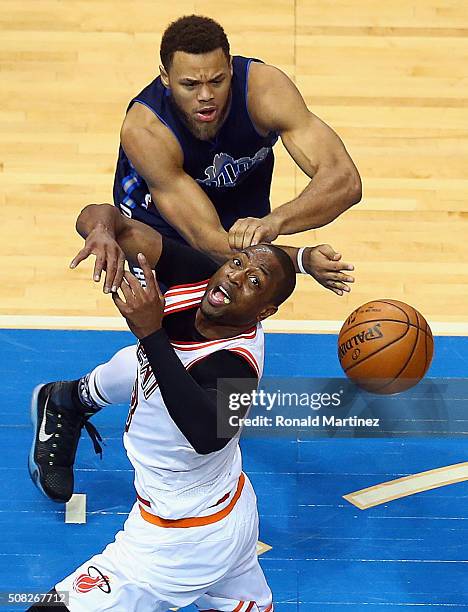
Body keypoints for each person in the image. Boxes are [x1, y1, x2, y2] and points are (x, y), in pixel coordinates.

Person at [29, 12, 361, 503]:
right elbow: (207, 242)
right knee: (186, 348)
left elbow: (344, 181)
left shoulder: (264, 89)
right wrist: (298, 257)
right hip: (171, 228)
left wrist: (275, 229)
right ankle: (78, 402)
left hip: (247, 226)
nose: (205, 95)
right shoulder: (147, 128)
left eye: (217, 80)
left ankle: (72, 397)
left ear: (232, 67)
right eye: (189, 84)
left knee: (204, 345)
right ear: (166, 80)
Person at [28, 208, 297, 611]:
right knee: (143, 363)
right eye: (237, 263)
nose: (235, 276)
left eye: (253, 282)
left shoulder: (236, 367)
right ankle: (69, 400)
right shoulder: (201, 277)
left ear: (264, 312)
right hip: (230, 504)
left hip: (180, 537)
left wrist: (152, 333)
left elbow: (209, 435)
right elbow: (104, 217)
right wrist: (102, 232)